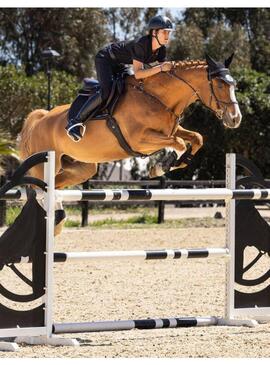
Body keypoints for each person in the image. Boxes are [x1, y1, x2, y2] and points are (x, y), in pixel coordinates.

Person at [66, 15, 174, 142]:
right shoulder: (142, 45)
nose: (167, 36)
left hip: (119, 63)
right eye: (164, 32)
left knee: (130, 86)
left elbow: (161, 71)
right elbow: (139, 73)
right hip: (105, 58)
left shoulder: (161, 50)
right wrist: (161, 68)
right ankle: (75, 122)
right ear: (154, 32)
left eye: (169, 32)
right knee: (106, 91)